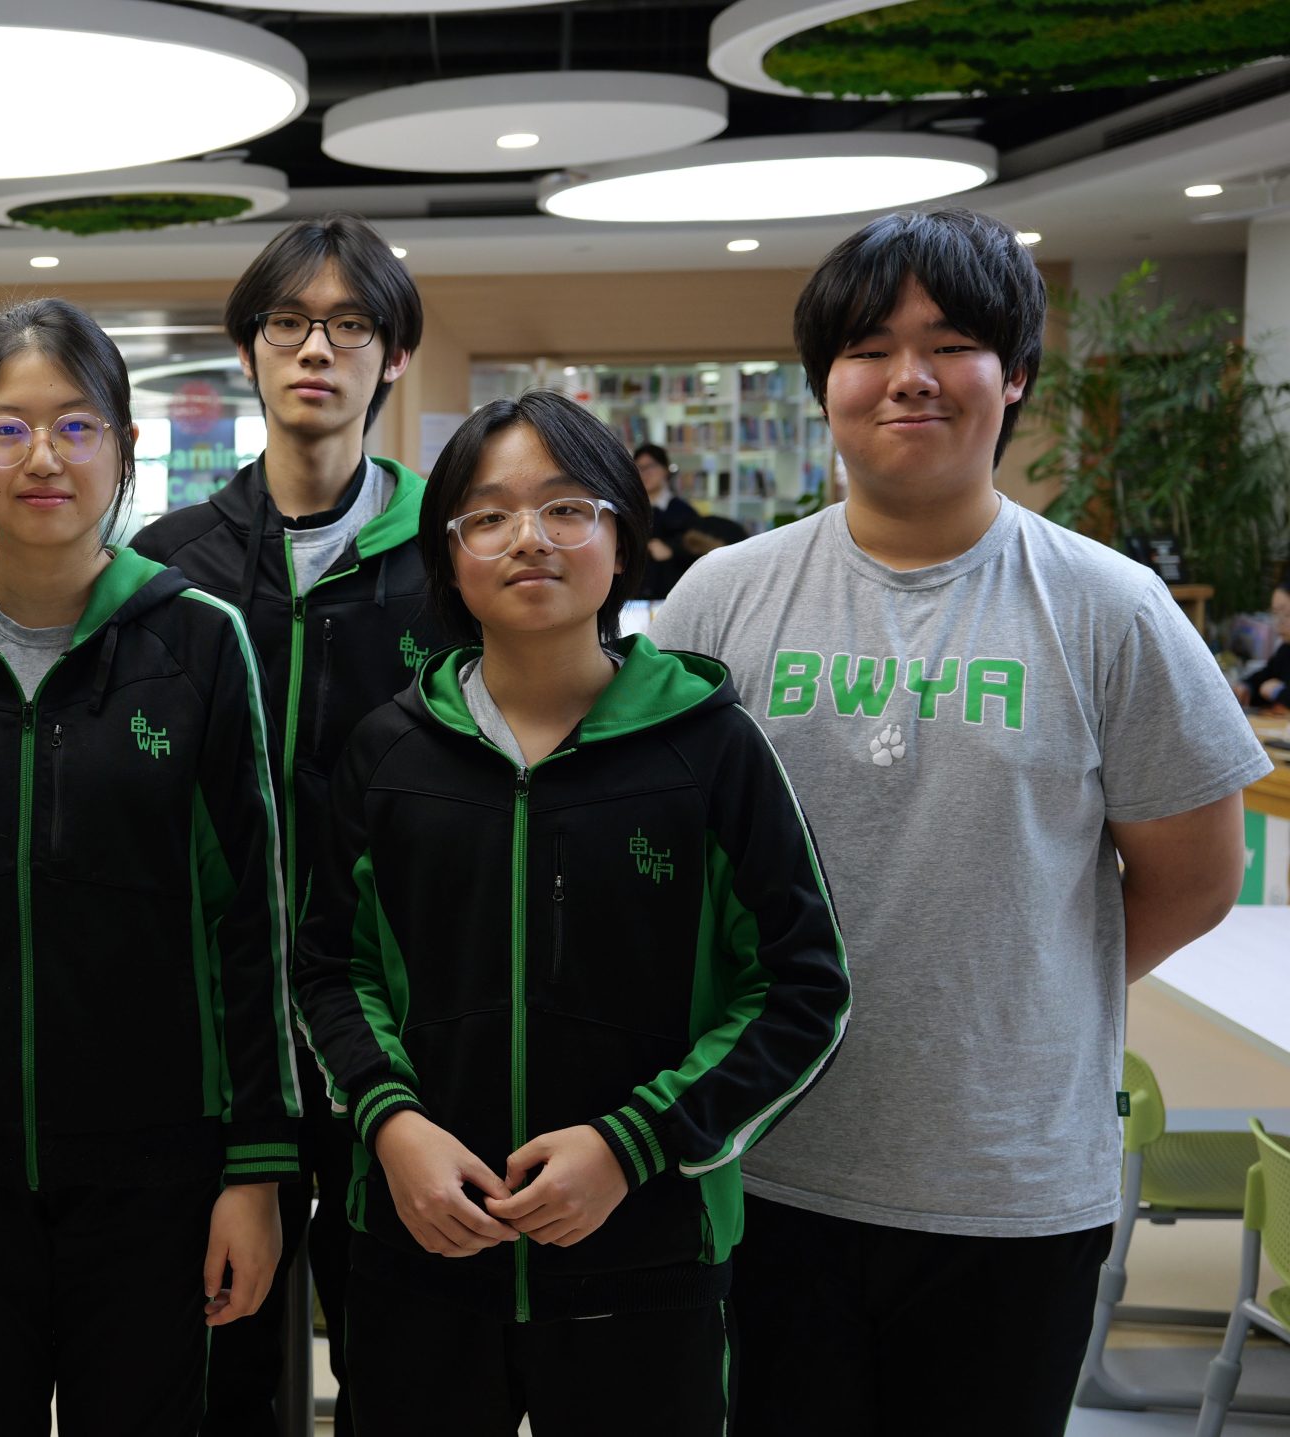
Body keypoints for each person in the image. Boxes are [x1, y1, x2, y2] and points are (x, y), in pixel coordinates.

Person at [651, 208, 1268, 1434]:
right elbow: (662, 856)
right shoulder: (719, 600)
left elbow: (1198, 876)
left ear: (1015, 373)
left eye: (949, 344)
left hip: (1009, 1183)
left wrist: (1017, 979)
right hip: (760, 1158)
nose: (908, 377)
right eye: (868, 348)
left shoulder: (1110, 609)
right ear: (824, 381)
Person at [294, 389, 850, 1433]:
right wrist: (391, 1122)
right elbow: (329, 967)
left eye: (565, 507)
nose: (527, 538)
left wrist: (633, 1144)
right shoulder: (388, 751)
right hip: (421, 1249)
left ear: (621, 536)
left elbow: (801, 990)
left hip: (648, 1259)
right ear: (447, 553)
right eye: (487, 515)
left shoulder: (709, 747)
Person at [0, 298, 299, 1436]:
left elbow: (250, 916)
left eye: (75, 426)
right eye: (6, 429)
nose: (42, 457)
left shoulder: (198, 641)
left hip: (155, 1171)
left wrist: (255, 1170)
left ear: (124, 447)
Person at [129, 213, 464, 1435]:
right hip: (215, 1039)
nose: (315, 349)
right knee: (218, 1363)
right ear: (248, 351)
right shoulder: (168, 570)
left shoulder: (450, 561)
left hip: (398, 1033)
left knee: (404, 1364)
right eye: (286, 323)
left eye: (350, 325)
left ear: (393, 356)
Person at [632, 441, 699, 600]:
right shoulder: (629, 510)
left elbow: (698, 552)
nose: (645, 473)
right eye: (639, 468)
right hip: (634, 598)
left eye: (650, 466)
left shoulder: (685, 512)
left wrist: (672, 550)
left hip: (672, 595)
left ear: (665, 469)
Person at [1237, 567, 1290, 708]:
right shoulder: (1285, 650)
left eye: (1287, 614)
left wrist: (1280, 692)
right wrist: (1246, 687)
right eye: (1275, 613)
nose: (1279, 622)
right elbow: (1265, 677)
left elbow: (1272, 689)